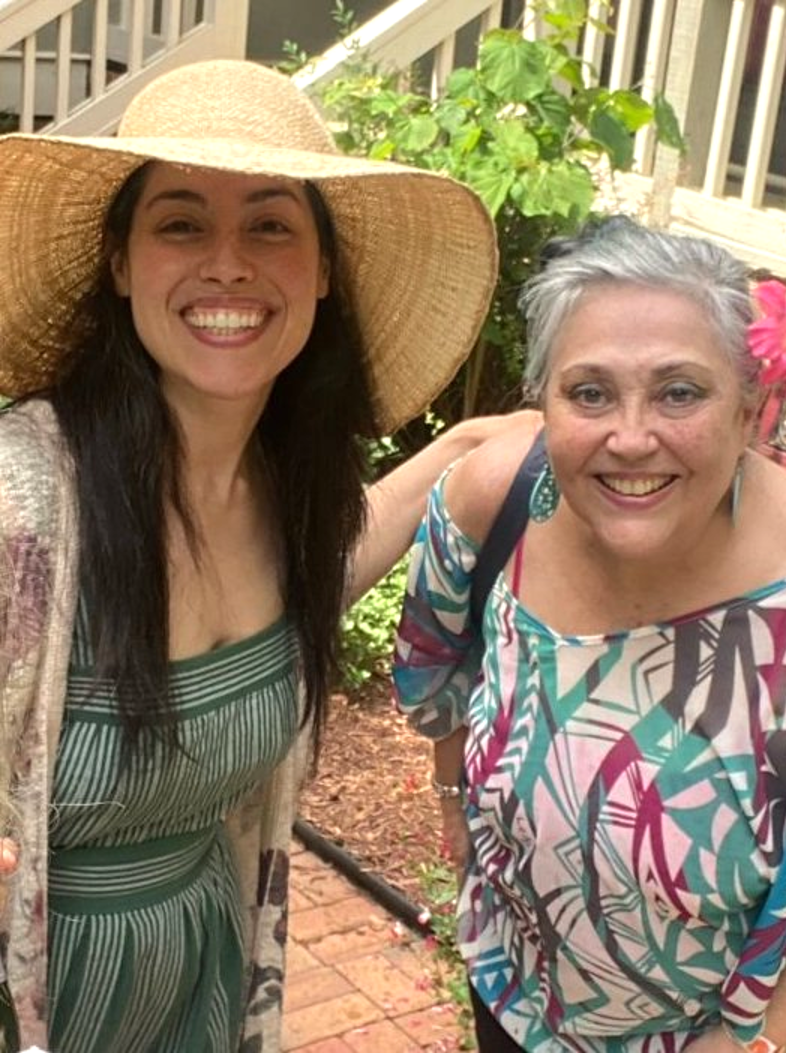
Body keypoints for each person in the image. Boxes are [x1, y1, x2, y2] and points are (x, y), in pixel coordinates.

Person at [0, 57, 532, 1054]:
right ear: (121, 262)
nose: (229, 265)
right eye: (182, 222)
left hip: (201, 975)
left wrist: (462, 451)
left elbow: (312, 588)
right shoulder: (24, 495)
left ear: (323, 272)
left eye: (272, 225)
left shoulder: (285, 492)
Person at [393, 217, 786, 1054]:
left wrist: (741, 1047)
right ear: (540, 403)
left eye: (679, 392)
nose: (629, 437)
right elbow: (436, 674)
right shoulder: (494, 503)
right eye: (589, 393)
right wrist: (456, 808)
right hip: (516, 1002)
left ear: (751, 408)